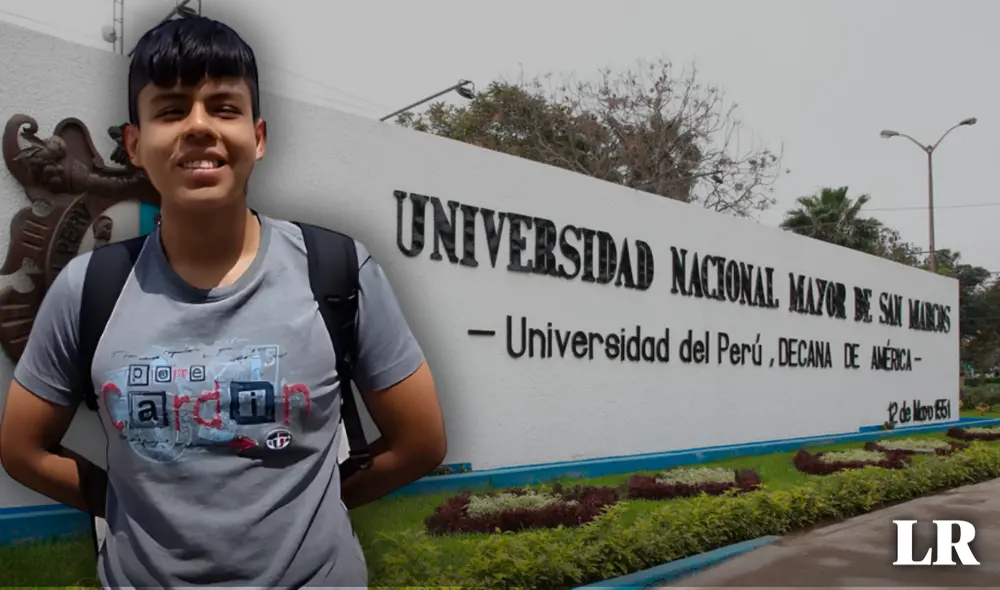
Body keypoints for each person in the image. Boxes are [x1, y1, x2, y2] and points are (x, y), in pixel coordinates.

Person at [0, 14, 446, 589]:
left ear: (258, 137)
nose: (199, 126)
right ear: (135, 144)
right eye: (171, 109)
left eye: (223, 107)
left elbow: (422, 442)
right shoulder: (88, 287)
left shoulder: (335, 270)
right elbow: (21, 448)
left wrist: (319, 502)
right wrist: (123, 503)